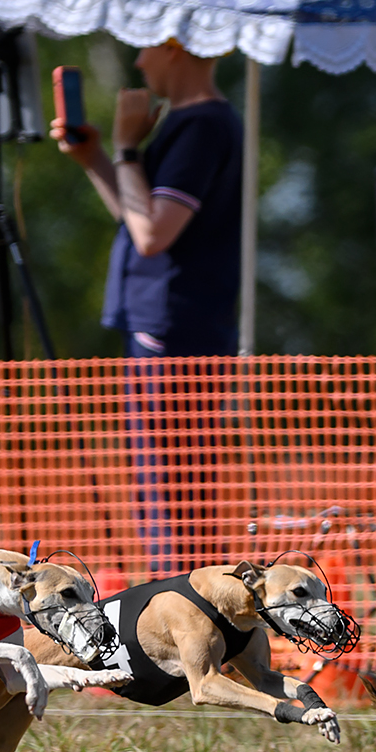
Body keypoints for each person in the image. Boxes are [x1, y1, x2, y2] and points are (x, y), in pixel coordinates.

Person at [52, 39, 243, 569]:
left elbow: (153, 233)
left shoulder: (201, 125)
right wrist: (96, 157)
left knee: (169, 485)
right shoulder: (196, 122)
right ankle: (182, 602)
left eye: (145, 47)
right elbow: (140, 217)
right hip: (170, 321)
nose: (139, 62)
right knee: (169, 482)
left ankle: (177, 607)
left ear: (175, 47)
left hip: (172, 325)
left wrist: (126, 149)